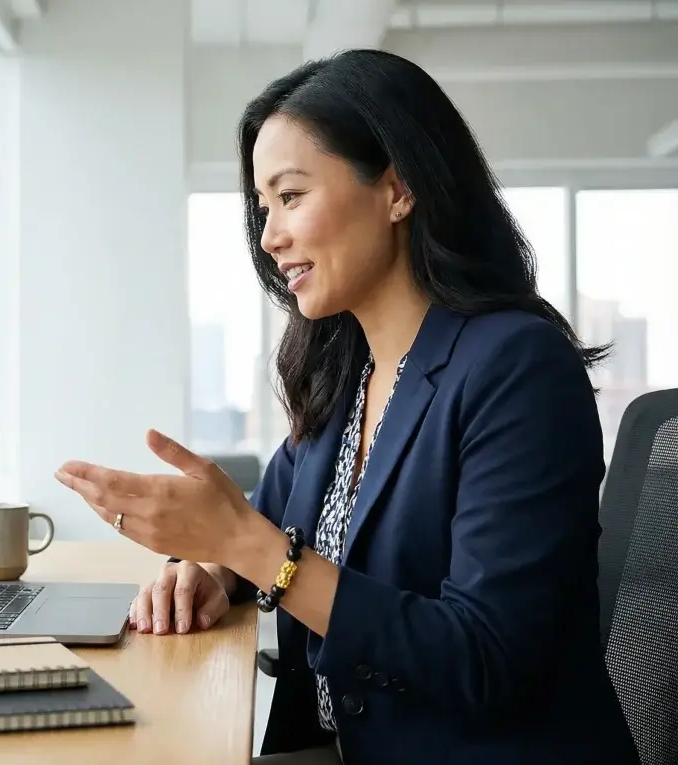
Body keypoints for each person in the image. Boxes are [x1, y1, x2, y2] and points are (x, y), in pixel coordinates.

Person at [54, 50, 638, 765]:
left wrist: (246, 548)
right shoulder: (347, 376)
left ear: (397, 189)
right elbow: (266, 519)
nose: (269, 236)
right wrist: (208, 570)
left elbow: (486, 655)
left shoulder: (517, 368)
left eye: (291, 196)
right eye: (263, 207)